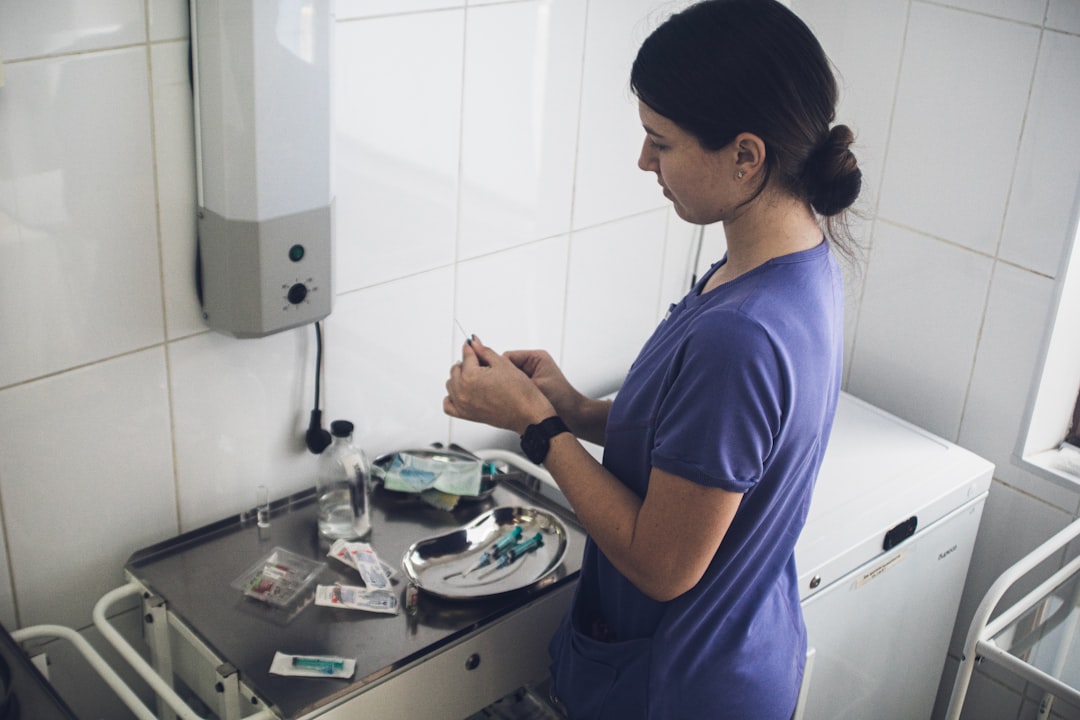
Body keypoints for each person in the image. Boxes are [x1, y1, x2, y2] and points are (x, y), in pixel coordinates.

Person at [443, 0, 862, 717]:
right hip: (743, 648)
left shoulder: (740, 336)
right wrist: (577, 409)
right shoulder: (792, 264)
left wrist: (539, 427)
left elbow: (663, 565)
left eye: (660, 142)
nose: (644, 161)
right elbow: (698, 452)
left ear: (746, 155)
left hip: (684, 686)